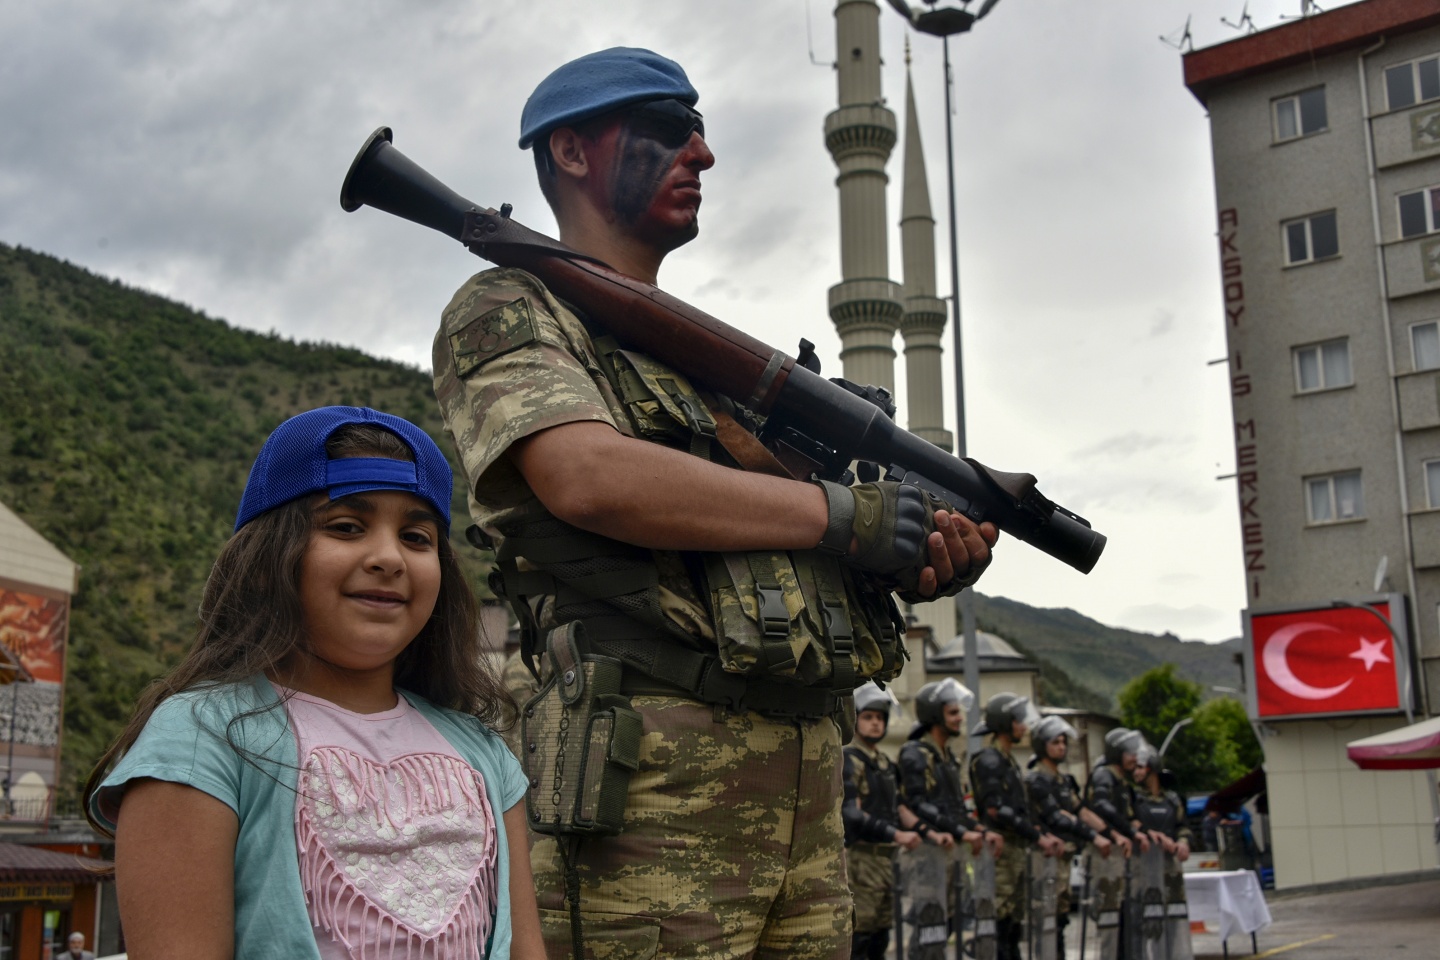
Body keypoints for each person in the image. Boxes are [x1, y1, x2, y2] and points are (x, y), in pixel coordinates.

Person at [431, 47, 997, 959]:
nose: (702, 154)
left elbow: (767, 546)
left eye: (700, 131)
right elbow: (586, 475)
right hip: (644, 793)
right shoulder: (512, 308)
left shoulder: (714, 370)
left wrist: (906, 552)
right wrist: (843, 517)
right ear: (571, 153)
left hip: (806, 796)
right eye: (666, 130)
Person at [83, 406, 545, 960]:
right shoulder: (203, 739)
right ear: (266, 558)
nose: (388, 558)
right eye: (346, 527)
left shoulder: (486, 755)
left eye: (417, 537)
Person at [969, 695, 1064, 960]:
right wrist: (1037, 836)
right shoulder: (989, 760)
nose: (1023, 727)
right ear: (1004, 723)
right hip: (1000, 854)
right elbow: (996, 809)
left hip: (1016, 851)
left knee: (1013, 924)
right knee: (998, 922)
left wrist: (1041, 834)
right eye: (1018, 721)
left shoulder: (1007, 760)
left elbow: (1020, 809)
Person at [1025, 716, 1118, 958]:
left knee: (1061, 918)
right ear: (1042, 745)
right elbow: (1057, 816)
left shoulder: (1063, 781)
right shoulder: (1037, 779)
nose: (1061, 747)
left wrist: (1112, 834)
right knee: (1045, 919)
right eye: (1055, 742)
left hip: (1065, 857)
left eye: (1063, 742)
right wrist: (1094, 837)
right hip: (1044, 859)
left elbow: (1081, 811)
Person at [842, 682, 923, 960]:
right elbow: (851, 812)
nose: (876, 723)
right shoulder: (849, 759)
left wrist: (924, 831)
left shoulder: (886, 764)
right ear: (855, 718)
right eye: (868, 717)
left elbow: (900, 807)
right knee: (860, 935)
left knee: (882, 934)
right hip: (862, 858)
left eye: (880, 718)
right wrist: (896, 835)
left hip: (888, 860)